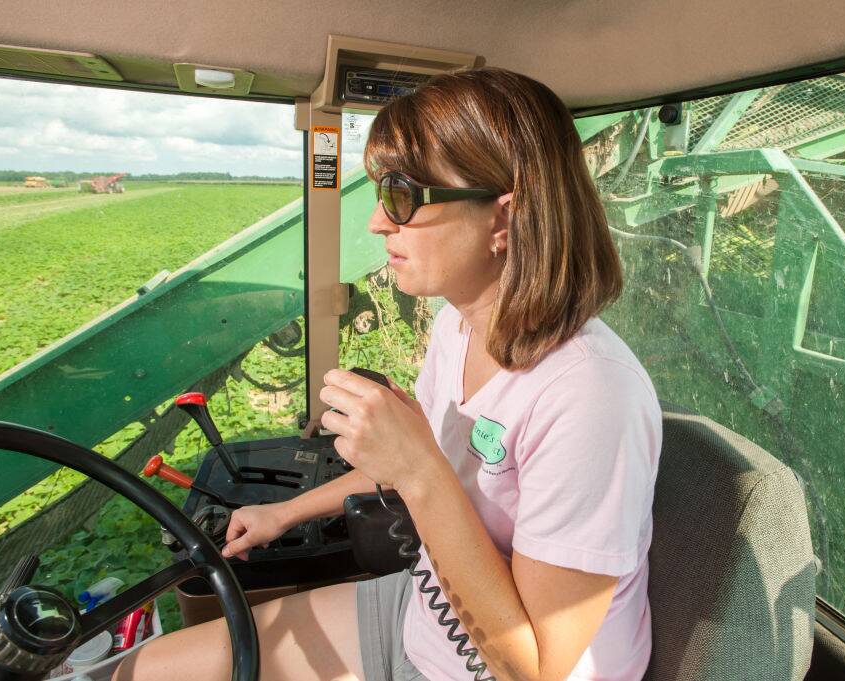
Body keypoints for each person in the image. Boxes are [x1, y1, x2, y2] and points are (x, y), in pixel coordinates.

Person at [115, 66, 661, 681]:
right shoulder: (457, 326)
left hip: (496, 664)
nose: (377, 222)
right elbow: (410, 461)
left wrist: (419, 468)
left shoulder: (591, 395)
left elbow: (535, 667)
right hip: (424, 611)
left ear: (504, 220)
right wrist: (286, 513)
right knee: (145, 671)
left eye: (403, 195)